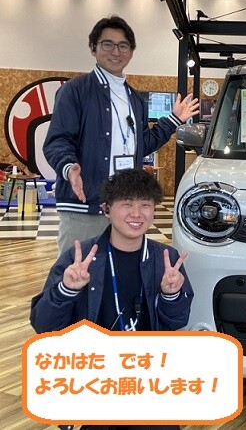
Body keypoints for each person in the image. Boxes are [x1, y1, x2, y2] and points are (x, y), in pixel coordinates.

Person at [31, 169, 193, 430]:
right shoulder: (80, 258)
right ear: (106, 209)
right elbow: (44, 325)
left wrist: (171, 294)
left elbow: (175, 321)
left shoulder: (166, 259)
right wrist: (66, 290)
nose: (137, 214)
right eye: (127, 204)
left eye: (145, 205)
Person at [43, 15, 200, 255]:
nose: (116, 51)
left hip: (125, 205)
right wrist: (69, 167)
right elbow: (57, 140)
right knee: (78, 269)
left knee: (119, 269)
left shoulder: (134, 98)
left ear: (131, 51)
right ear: (93, 48)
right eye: (108, 44)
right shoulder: (75, 90)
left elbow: (142, 144)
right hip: (86, 203)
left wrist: (173, 120)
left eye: (123, 45)